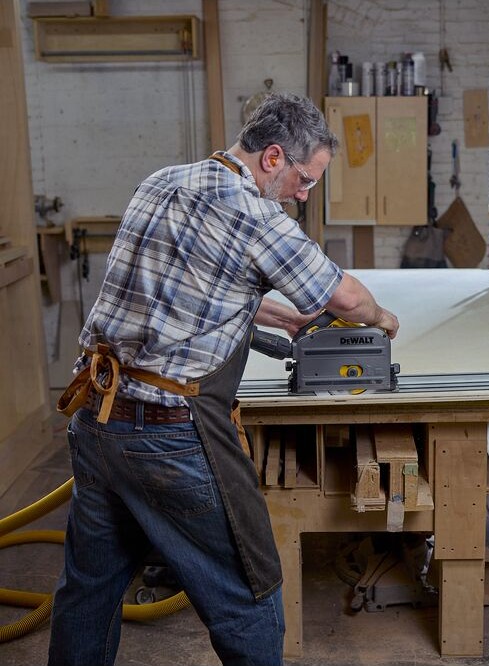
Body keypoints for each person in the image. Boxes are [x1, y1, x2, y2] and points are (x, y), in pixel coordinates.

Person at [48, 92, 399, 666]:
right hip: (170, 438)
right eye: (305, 179)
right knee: (250, 593)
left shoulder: (162, 181)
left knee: (88, 591)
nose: (305, 195)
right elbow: (347, 297)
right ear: (273, 157)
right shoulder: (256, 215)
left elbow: (168, 282)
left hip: (97, 420)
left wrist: (263, 309)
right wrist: (382, 318)